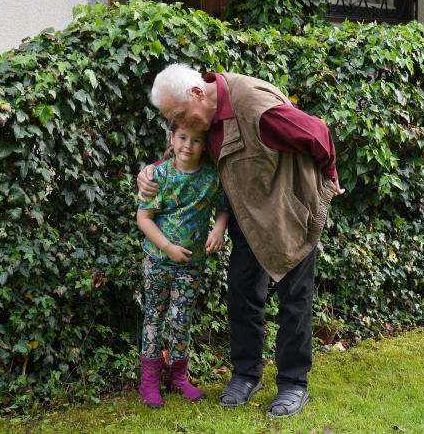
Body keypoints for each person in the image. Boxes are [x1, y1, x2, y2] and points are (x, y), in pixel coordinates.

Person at [137, 63, 344, 418]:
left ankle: (294, 384)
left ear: (198, 94)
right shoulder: (201, 111)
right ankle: (246, 375)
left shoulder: (255, 108)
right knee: (243, 293)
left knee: (295, 299)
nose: (181, 125)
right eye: (174, 121)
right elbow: (185, 151)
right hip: (247, 214)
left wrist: (324, 189)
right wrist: (152, 171)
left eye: (182, 116)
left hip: (286, 212)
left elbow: (319, 136)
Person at [136, 120, 231, 409]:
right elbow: (144, 218)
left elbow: (223, 207)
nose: (188, 145)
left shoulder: (211, 178)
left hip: (191, 264)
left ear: (206, 144)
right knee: (154, 317)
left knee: (182, 320)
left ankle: (178, 378)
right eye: (182, 137)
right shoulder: (158, 176)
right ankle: (149, 382)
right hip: (158, 261)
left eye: (196, 140)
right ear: (172, 138)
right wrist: (167, 247)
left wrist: (218, 229)